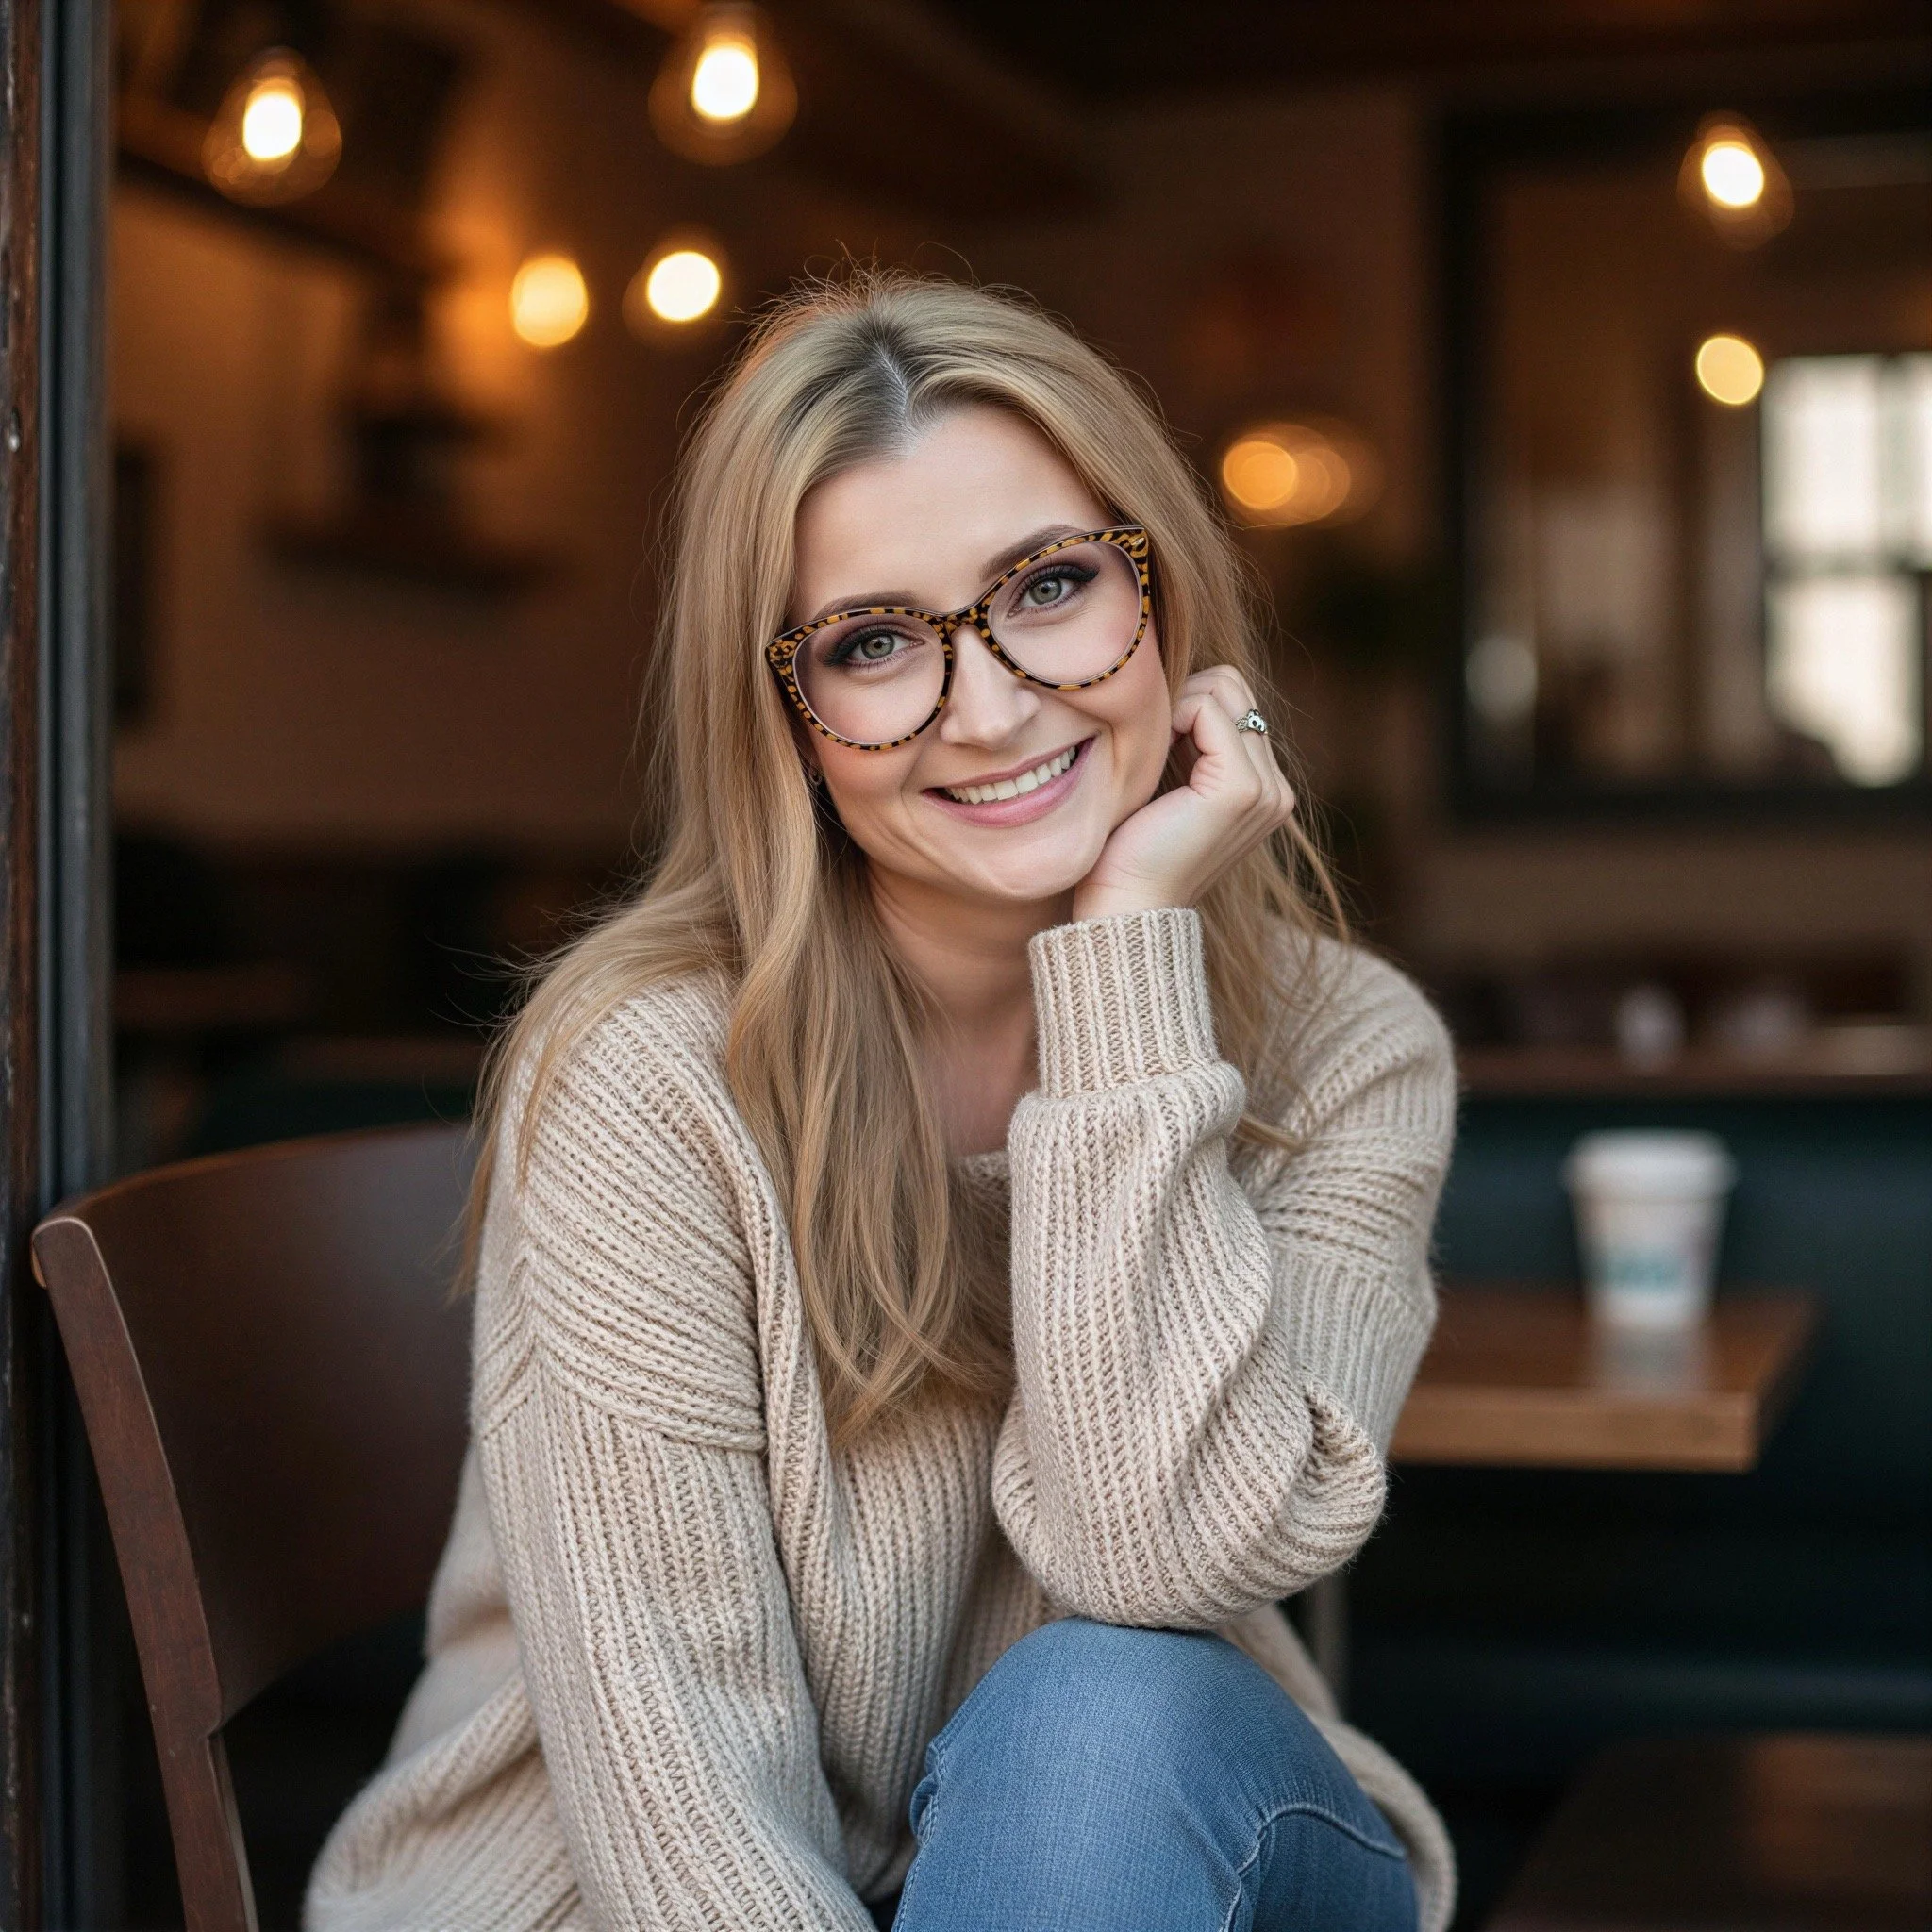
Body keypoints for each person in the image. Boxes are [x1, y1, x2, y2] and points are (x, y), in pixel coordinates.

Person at [308, 273, 1457, 1932]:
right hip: (633, 1897)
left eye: (1050, 587)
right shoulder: (648, 1075)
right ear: (784, 715)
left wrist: (1124, 965)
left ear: (1171, 598)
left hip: (1148, 1845)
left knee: (1103, 1717)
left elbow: (1163, 1564)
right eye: (872, 643)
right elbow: (678, 1806)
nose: (988, 709)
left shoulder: (1347, 1048)